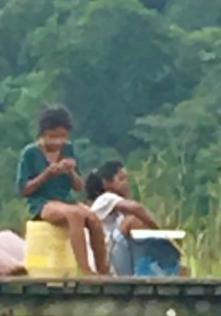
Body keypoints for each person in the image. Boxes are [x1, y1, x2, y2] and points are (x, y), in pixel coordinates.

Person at [16, 106, 108, 275]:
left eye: (62, 137)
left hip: (66, 199)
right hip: (43, 203)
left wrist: (71, 171)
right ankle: (84, 269)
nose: (58, 142)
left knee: (93, 218)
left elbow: (79, 186)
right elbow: (24, 189)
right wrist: (47, 174)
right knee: (74, 215)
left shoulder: (67, 150)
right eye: (53, 137)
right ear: (43, 134)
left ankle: (103, 270)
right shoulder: (30, 153)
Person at [85, 160, 160, 275]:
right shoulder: (105, 198)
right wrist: (157, 228)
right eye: (121, 179)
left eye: (126, 179)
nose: (126, 184)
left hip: (111, 255)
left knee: (134, 221)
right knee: (132, 220)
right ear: (106, 183)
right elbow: (135, 208)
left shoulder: (117, 211)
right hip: (102, 259)